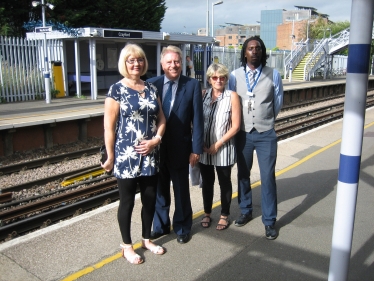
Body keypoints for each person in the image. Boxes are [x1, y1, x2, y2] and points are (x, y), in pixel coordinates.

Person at [101, 43, 166, 265]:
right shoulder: (116, 90)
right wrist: (110, 156)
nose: (136, 64)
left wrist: (156, 140)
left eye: (139, 60)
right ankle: (126, 246)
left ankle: (146, 239)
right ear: (124, 64)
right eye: (131, 60)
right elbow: (109, 127)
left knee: (149, 201)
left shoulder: (151, 88)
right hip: (126, 154)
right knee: (127, 202)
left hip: (150, 154)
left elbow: (162, 119)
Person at [228, 36, 283, 240]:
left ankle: (269, 221)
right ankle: (246, 210)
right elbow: (231, 102)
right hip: (242, 133)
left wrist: (265, 118)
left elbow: (277, 102)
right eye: (250, 48)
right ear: (245, 52)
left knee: (268, 177)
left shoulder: (273, 74)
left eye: (258, 48)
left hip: (266, 133)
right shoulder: (234, 76)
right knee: (243, 174)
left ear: (262, 52)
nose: (254, 51)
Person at [147, 45, 204, 244]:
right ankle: (161, 226)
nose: (174, 65)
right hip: (157, 149)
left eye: (177, 61)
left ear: (182, 63)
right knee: (160, 190)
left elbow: (198, 120)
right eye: (169, 62)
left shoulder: (192, 85)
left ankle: (182, 227)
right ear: (162, 64)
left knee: (181, 191)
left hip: (181, 148)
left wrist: (196, 149)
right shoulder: (151, 84)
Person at [199, 63, 241, 230]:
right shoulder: (202, 95)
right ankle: (207, 213)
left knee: (224, 182)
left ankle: (224, 214)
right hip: (204, 149)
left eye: (222, 77)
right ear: (209, 79)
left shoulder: (232, 96)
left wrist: (218, 144)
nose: (219, 80)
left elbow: (236, 126)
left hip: (223, 148)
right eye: (215, 77)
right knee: (207, 183)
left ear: (226, 79)